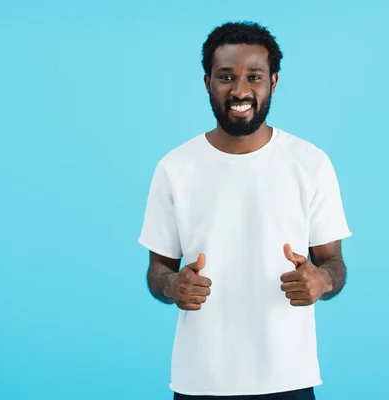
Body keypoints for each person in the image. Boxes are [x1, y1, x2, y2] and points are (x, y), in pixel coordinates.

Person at [138, 21, 352, 400]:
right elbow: (159, 270)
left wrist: (323, 280)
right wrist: (173, 285)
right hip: (199, 380)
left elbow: (333, 261)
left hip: (289, 378)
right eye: (226, 77)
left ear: (273, 82)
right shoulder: (175, 168)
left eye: (254, 76)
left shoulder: (310, 163)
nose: (240, 90)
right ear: (207, 83)